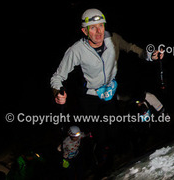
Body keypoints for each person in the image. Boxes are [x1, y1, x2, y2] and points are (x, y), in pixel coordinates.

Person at [50, 9, 164, 173]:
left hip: (110, 92)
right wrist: (57, 92)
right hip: (91, 98)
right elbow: (57, 76)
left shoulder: (113, 39)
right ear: (85, 31)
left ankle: (125, 155)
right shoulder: (76, 50)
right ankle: (101, 162)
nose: (98, 32)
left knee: (114, 130)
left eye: (101, 26)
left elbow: (131, 48)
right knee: (101, 135)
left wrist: (149, 55)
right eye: (93, 28)